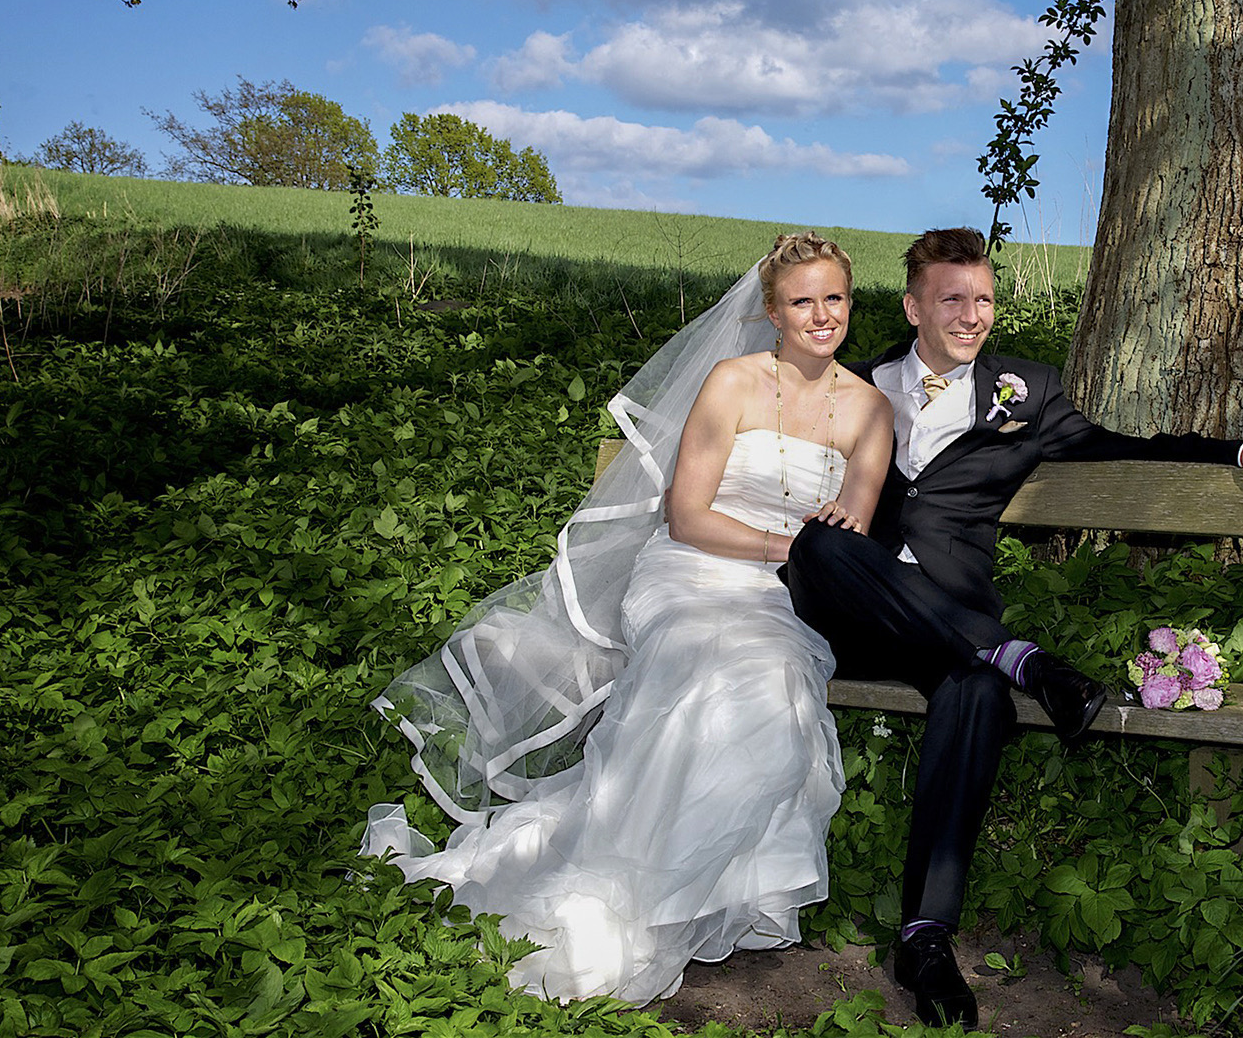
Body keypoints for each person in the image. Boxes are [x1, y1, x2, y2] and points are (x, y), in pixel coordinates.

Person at [784, 227, 1243, 1027]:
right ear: (914, 307)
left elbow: (1121, 448)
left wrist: (1235, 451)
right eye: (952, 299)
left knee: (975, 695)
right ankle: (1022, 658)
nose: (972, 315)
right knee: (821, 544)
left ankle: (925, 938)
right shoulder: (854, 381)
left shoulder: (1025, 391)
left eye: (984, 299)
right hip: (857, 611)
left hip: (948, 624)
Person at [363, 233, 894, 1005]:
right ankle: (630, 883)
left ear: (851, 302)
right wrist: (790, 545)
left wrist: (805, 557)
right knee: (703, 664)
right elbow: (687, 516)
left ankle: (705, 887)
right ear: (772, 312)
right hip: (691, 573)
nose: (821, 316)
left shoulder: (869, 409)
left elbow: (853, 532)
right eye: (801, 301)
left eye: (834, 298)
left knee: (771, 679)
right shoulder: (733, 382)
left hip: (789, 595)